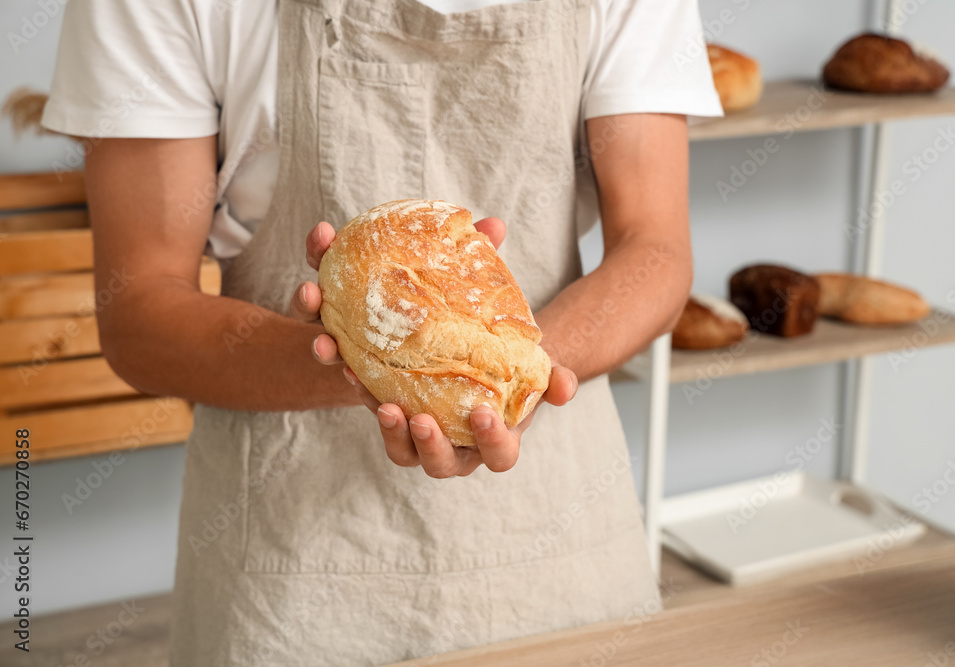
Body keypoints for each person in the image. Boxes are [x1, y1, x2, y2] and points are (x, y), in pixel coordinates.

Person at [40, 0, 721, 664]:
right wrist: (364, 357)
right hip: (291, 584)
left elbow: (655, 250)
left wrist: (501, 379)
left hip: (562, 548)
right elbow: (139, 309)